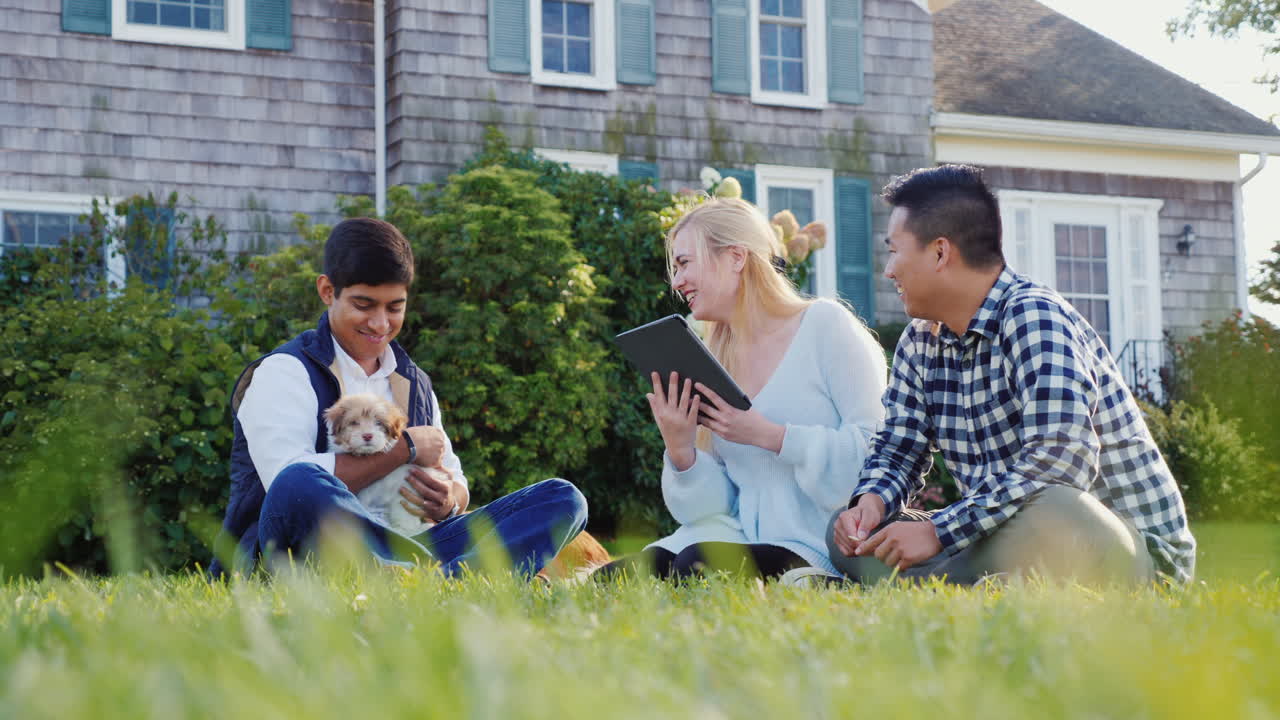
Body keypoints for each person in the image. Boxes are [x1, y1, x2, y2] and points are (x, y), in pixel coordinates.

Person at [827, 165, 1196, 586]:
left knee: (1055, 509)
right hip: (1000, 532)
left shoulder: (1033, 316)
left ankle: (937, 583)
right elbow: (898, 448)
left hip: (1121, 548)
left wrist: (938, 532)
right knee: (847, 533)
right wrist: (871, 503)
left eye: (894, 251)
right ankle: (977, 583)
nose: (889, 271)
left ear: (940, 253)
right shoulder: (921, 341)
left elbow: (1059, 463)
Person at [208, 217, 587, 578]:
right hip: (301, 556)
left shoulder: (415, 382)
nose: (380, 323)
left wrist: (449, 501)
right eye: (364, 305)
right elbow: (286, 489)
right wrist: (404, 448)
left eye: (395, 307)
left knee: (563, 498)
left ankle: (434, 581)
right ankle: (420, 578)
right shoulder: (284, 371)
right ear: (327, 291)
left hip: (413, 546)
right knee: (299, 480)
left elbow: (455, 480)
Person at [596, 197, 888, 581]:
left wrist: (772, 436)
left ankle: (824, 584)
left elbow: (878, 454)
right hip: (739, 534)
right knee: (616, 579)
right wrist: (681, 449)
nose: (676, 282)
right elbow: (712, 509)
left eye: (684, 263)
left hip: (817, 543)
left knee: (696, 566)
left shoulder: (825, 326)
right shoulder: (718, 354)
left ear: (736, 257)